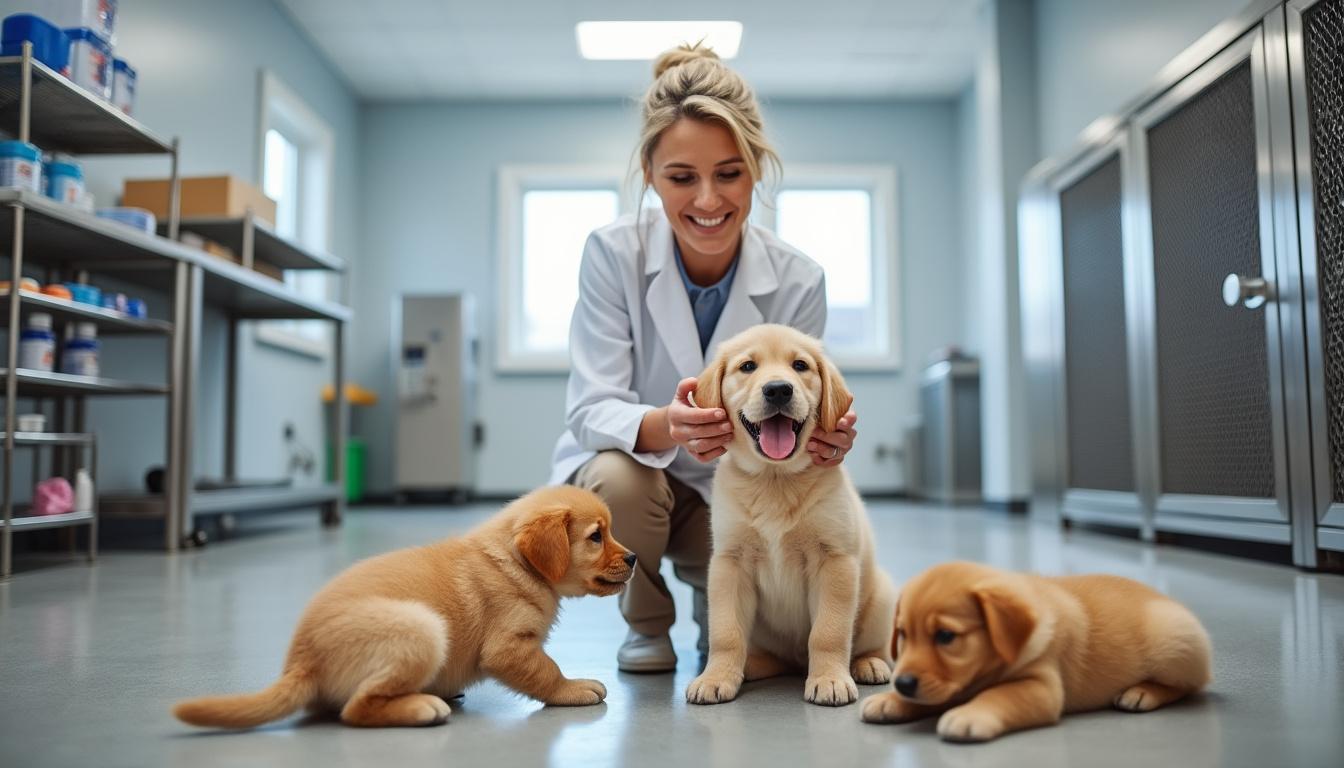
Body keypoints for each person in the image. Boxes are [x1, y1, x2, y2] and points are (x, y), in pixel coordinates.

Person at [550, 44, 858, 672]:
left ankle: (721, 618)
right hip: (643, 482)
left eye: (729, 173)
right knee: (618, 480)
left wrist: (824, 434)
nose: (709, 200)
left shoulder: (799, 279)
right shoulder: (613, 254)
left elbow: (798, 408)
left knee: (744, 560)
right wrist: (667, 425)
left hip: (739, 491)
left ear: (756, 170)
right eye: (682, 177)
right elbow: (589, 407)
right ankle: (647, 623)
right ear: (649, 171)